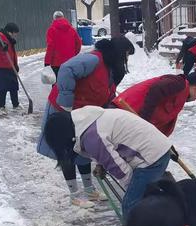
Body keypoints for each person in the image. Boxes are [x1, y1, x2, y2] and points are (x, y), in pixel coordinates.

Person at [44, 106, 173, 226]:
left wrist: (132, 193)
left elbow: (120, 169)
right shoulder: (84, 121)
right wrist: (100, 163)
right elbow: (106, 145)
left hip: (150, 157)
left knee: (131, 206)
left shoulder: (91, 136)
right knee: (139, 201)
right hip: (152, 149)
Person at [37, 37, 135, 207]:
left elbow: (106, 97)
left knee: (83, 152)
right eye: (126, 54)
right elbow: (67, 69)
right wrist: (66, 103)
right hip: (63, 111)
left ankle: (89, 190)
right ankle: (74, 194)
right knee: (67, 151)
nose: (126, 59)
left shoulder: (110, 71)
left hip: (82, 116)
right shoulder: (94, 59)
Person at [113, 72, 196, 136]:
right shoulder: (179, 83)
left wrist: (164, 144)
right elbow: (156, 90)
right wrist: (143, 120)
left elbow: (164, 123)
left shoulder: (180, 96)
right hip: (123, 112)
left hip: (130, 121)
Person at [0, 23, 20, 116]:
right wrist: (1, 44)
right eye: (14, 33)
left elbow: (12, 53)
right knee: (2, 87)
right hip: (1, 67)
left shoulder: (10, 39)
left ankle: (16, 104)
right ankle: (1, 106)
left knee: (13, 86)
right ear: (9, 31)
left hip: (10, 66)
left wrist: (15, 64)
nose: (15, 35)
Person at [44, 11, 82, 78]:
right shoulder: (71, 29)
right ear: (63, 18)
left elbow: (50, 46)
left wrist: (47, 61)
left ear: (54, 19)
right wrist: (74, 54)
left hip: (56, 63)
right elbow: (78, 43)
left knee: (57, 84)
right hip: (70, 61)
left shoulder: (51, 30)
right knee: (69, 82)